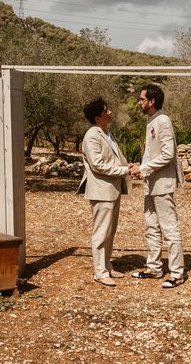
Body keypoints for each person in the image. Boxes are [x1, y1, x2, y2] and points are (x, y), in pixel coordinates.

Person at [129, 84, 186, 288]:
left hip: (162, 184)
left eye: (142, 99)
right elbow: (150, 154)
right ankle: (154, 268)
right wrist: (139, 168)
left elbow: (167, 154)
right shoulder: (151, 122)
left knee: (169, 228)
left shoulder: (163, 120)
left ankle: (177, 273)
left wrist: (143, 169)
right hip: (150, 184)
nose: (139, 102)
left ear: (152, 101)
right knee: (151, 227)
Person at [78, 97, 131, 287]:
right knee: (101, 231)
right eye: (106, 110)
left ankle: (107, 265)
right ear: (97, 116)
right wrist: (125, 171)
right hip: (101, 191)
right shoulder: (92, 135)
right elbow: (98, 164)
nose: (110, 112)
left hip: (112, 190)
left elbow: (115, 159)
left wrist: (128, 167)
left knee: (110, 230)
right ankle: (100, 272)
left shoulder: (107, 133)